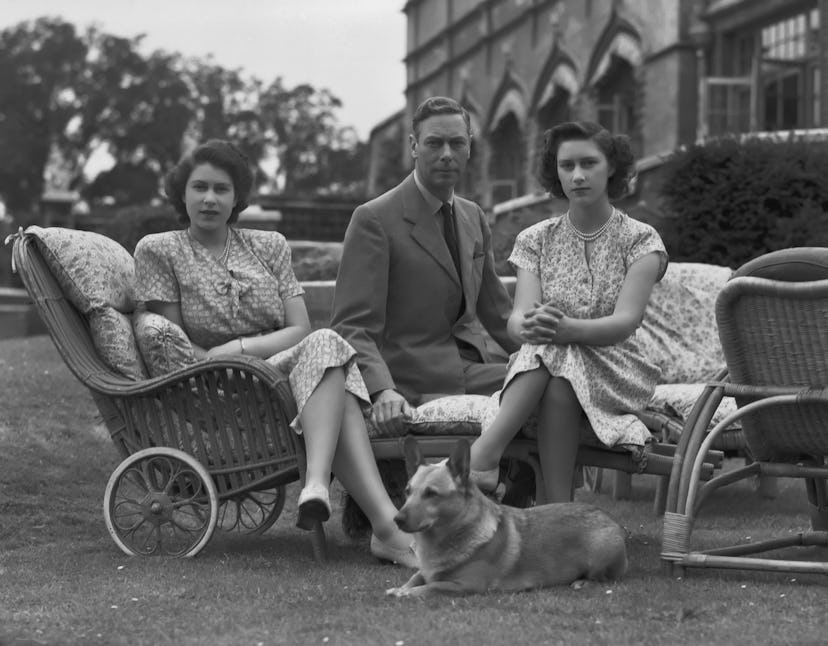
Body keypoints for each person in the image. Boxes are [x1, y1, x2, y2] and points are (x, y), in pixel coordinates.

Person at [132, 139, 416, 567]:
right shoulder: (160, 250)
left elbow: (299, 327)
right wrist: (229, 356)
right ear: (181, 193)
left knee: (325, 342)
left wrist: (242, 344)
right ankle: (385, 527)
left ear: (237, 197)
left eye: (222, 189)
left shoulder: (268, 246)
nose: (210, 198)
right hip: (219, 380)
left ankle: (319, 486)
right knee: (333, 378)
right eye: (199, 187)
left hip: (278, 366)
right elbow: (175, 341)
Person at [469, 121, 669, 503]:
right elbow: (516, 321)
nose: (577, 176)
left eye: (589, 163)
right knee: (559, 375)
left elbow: (625, 323)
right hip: (546, 364)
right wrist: (530, 325)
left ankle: (484, 454)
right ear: (555, 171)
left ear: (611, 167)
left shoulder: (641, 239)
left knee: (553, 351)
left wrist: (564, 328)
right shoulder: (535, 239)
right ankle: (559, 513)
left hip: (617, 367)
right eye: (566, 166)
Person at [331, 96, 518, 436]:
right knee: (543, 386)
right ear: (414, 147)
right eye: (434, 143)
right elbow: (352, 325)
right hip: (409, 378)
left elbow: (498, 313)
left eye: (457, 143)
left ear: (469, 148)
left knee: (552, 378)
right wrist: (382, 389)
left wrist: (542, 356)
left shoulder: (473, 215)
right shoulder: (374, 219)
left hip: (473, 369)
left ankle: (529, 488)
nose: (447, 154)